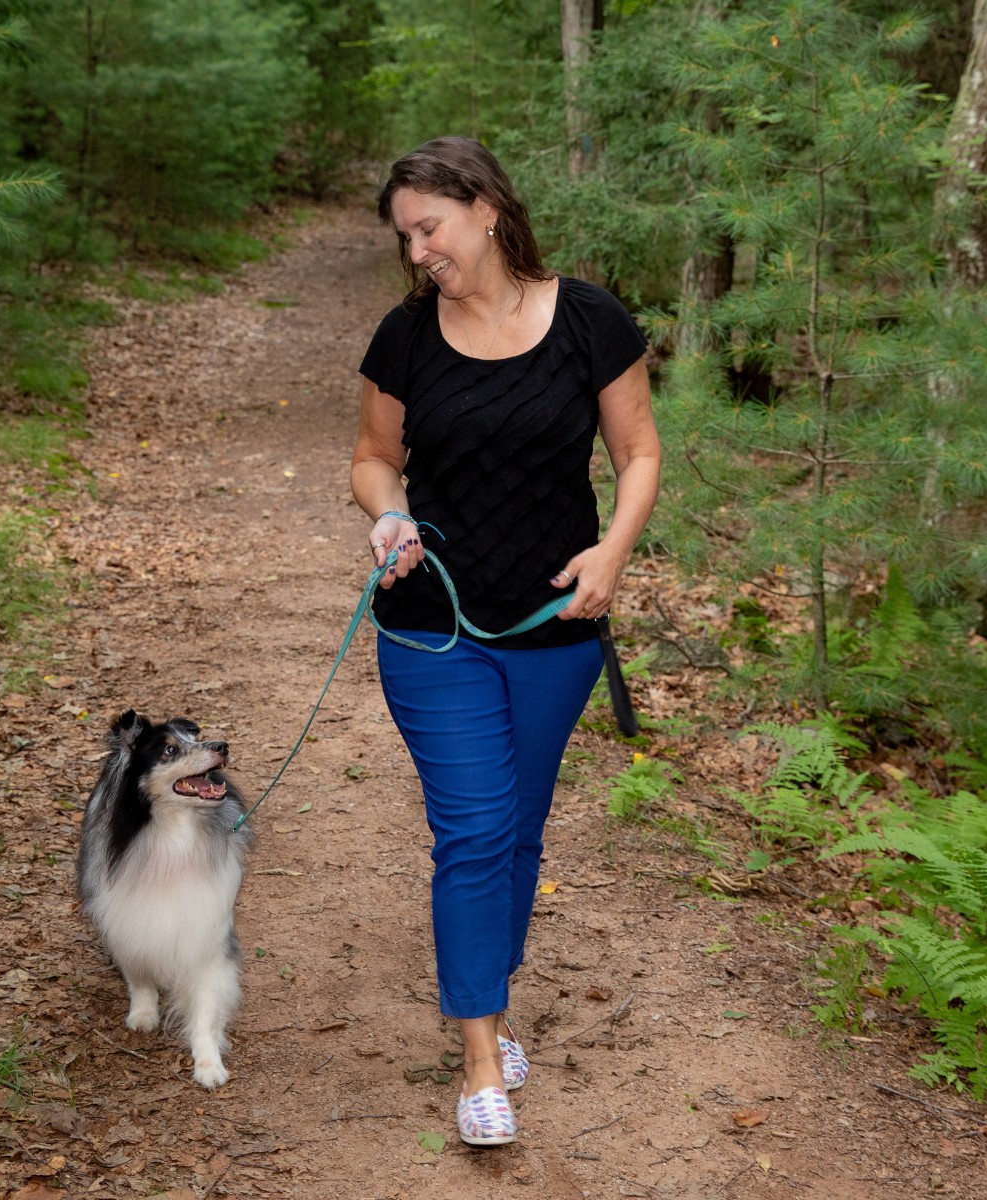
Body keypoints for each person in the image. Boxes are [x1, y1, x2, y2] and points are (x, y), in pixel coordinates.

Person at [350, 136, 661, 1146]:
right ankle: (481, 1059)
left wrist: (612, 552)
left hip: (555, 629)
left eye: (426, 229)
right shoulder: (404, 338)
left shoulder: (590, 320)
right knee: (475, 831)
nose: (417, 254)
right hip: (431, 632)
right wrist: (388, 515)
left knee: (518, 833)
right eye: (404, 237)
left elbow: (639, 452)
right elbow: (372, 457)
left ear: (484, 208)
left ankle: (493, 1001)